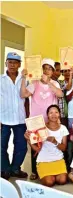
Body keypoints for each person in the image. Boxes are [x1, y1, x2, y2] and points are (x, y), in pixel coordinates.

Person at [20, 58, 64, 180]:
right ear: (42, 69)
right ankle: (35, 170)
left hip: (50, 120)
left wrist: (49, 83)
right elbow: (23, 94)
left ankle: (50, 167)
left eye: (50, 69)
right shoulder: (34, 83)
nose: (47, 70)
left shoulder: (54, 84)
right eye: (45, 68)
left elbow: (60, 94)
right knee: (35, 144)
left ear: (53, 71)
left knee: (49, 144)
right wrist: (23, 78)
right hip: (36, 120)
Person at [24, 105, 68, 187]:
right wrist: (28, 139)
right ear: (47, 115)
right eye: (51, 113)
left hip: (58, 160)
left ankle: (52, 175)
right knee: (49, 182)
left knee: (62, 180)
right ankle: (44, 173)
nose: (54, 115)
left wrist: (55, 142)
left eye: (56, 112)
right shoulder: (40, 128)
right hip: (44, 161)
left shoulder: (63, 128)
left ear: (59, 114)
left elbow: (64, 148)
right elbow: (37, 149)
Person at [1, 52, 28, 180]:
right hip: (3, 119)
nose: (12, 65)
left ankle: (16, 168)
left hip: (20, 118)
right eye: (10, 62)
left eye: (15, 62)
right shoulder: (1, 80)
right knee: (1, 146)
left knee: (21, 145)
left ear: (19, 65)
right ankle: (4, 169)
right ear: (6, 63)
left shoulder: (25, 79)